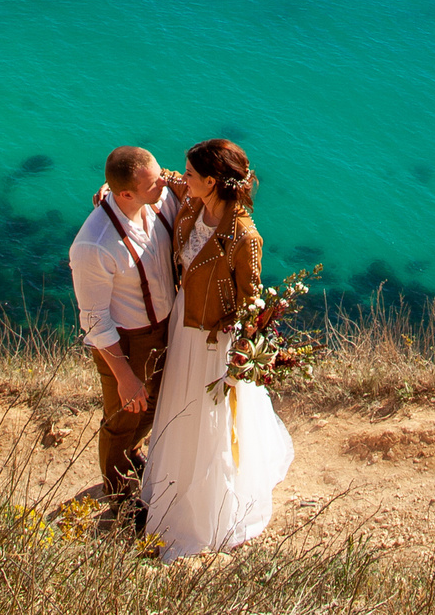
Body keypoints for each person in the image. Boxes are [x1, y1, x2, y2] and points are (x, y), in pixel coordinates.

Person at [139, 138, 294, 561]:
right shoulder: (192, 200)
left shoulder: (244, 236)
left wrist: (241, 353)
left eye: (189, 174)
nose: (181, 178)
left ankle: (206, 508)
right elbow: (160, 178)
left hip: (211, 341)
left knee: (206, 419)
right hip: (184, 323)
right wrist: (107, 191)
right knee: (179, 409)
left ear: (211, 181)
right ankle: (172, 480)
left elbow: (251, 301)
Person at [66, 145, 180, 516]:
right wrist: (124, 376)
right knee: (122, 418)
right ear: (125, 194)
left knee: (156, 404)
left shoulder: (160, 202)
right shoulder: (94, 245)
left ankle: (134, 455)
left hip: (165, 329)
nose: (164, 182)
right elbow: (95, 320)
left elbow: (185, 187)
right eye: (154, 181)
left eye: (160, 174)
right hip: (127, 342)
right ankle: (119, 497)